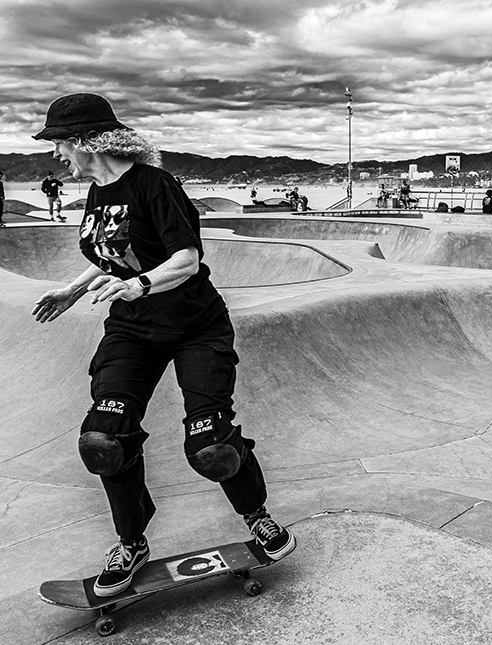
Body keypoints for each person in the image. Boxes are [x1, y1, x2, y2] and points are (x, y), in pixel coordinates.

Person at [29, 92, 295, 597]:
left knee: (212, 447)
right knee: (103, 441)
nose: (56, 155)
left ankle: (257, 516)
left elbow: (186, 259)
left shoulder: (156, 184)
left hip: (196, 325)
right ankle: (131, 544)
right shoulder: (97, 191)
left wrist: (140, 284)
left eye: (59, 144)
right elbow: (112, 251)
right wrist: (74, 288)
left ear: (85, 141)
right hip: (133, 329)